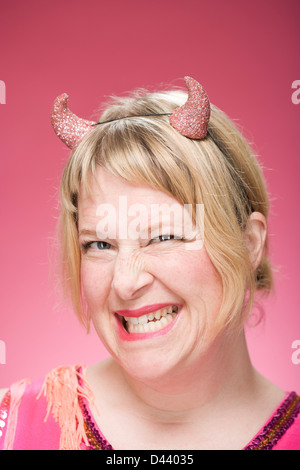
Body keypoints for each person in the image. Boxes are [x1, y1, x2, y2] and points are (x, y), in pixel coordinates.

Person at [0, 77, 299, 450]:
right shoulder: (14, 428)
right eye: (99, 244)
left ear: (249, 244)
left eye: (164, 237)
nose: (125, 282)